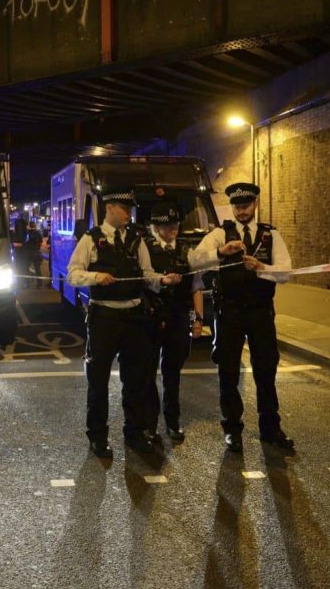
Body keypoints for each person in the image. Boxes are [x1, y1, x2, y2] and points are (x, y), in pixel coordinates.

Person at [67, 187, 173, 457]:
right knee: (98, 380)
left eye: (130, 209)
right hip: (104, 317)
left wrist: (162, 280)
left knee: (135, 379)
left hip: (134, 316)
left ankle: (134, 433)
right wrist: (95, 277)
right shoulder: (91, 239)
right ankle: (98, 436)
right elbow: (73, 274)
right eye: (124, 209)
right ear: (109, 208)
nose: (129, 214)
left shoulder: (137, 239)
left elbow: (146, 274)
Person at [190, 182, 294, 453]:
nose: (242, 210)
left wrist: (262, 267)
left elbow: (286, 273)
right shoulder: (219, 234)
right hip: (229, 312)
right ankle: (232, 429)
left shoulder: (270, 235)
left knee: (266, 369)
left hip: (260, 311)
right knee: (228, 371)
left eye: (246, 205)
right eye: (237, 206)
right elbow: (193, 261)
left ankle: (270, 428)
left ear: (255, 204)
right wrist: (219, 253)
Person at [142, 200, 204, 443]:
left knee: (173, 373)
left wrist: (197, 319)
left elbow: (196, 287)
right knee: (148, 372)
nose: (173, 229)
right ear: (156, 227)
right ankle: (149, 424)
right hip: (152, 318)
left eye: (175, 224)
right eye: (167, 225)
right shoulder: (146, 249)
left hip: (178, 317)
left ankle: (173, 422)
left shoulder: (187, 251)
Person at [24, 221, 44, 287]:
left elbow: (24, 242)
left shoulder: (27, 233)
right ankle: (39, 283)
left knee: (26, 268)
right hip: (36, 253)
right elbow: (41, 242)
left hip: (28, 253)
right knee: (37, 269)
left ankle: (27, 283)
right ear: (34, 226)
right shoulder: (38, 233)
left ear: (29, 226)